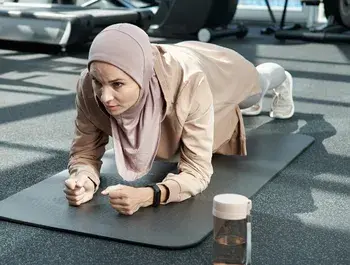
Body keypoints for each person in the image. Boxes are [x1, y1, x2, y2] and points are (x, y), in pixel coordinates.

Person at [63, 23, 294, 215]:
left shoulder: (190, 82)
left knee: (256, 88)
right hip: (163, 60)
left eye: (117, 84)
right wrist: (84, 178)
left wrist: (150, 195)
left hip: (217, 70)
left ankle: (282, 78)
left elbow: (197, 170)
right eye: (98, 82)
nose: (104, 97)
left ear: (141, 77)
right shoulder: (88, 85)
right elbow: (84, 152)